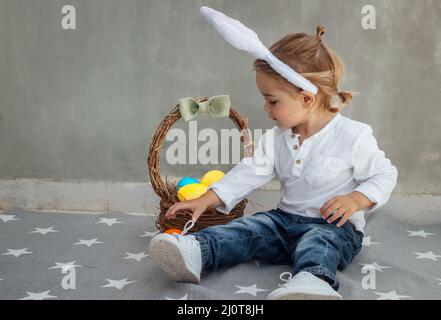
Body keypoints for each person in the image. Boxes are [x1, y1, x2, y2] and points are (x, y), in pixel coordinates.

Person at [149, 25, 398, 300]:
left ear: (306, 98)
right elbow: (249, 172)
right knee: (249, 230)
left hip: (334, 227)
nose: (266, 109)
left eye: (272, 101)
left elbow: (384, 175)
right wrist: (207, 199)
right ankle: (196, 252)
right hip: (283, 222)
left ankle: (312, 282)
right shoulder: (277, 138)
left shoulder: (353, 135)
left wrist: (355, 200)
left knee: (320, 244)